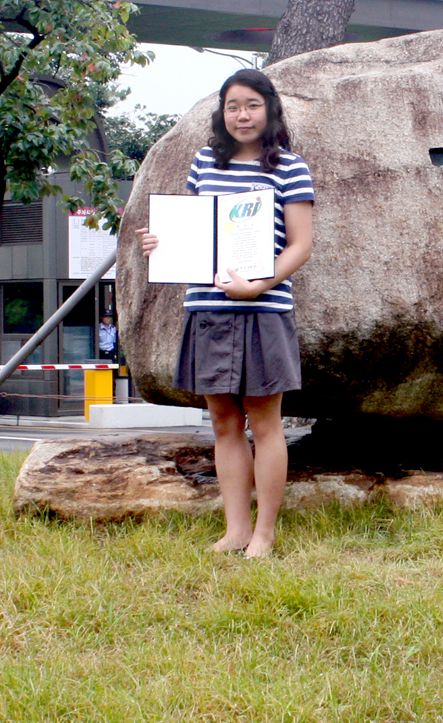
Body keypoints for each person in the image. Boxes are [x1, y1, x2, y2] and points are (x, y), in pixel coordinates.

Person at [138, 68, 315, 558]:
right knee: (222, 421)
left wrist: (257, 285)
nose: (242, 115)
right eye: (233, 105)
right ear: (222, 112)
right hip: (208, 306)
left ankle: (265, 533)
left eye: (252, 105)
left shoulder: (290, 168)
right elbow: (198, 232)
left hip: (265, 309)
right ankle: (236, 529)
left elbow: (300, 246)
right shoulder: (203, 163)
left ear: (269, 109)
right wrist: (160, 243)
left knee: (265, 423)